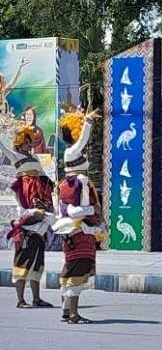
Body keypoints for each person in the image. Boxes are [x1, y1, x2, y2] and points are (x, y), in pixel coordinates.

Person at [51, 109, 105, 324]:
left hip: (78, 228)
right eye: (79, 126)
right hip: (78, 228)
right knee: (77, 267)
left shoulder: (79, 177)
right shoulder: (73, 158)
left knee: (71, 266)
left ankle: (67, 311)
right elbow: (74, 211)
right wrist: (88, 123)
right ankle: (73, 314)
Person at [1, 122, 56, 309]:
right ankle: (20, 300)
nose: (28, 145)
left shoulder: (34, 159)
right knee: (22, 261)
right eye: (25, 142)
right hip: (26, 202)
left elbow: (44, 179)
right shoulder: (15, 156)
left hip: (39, 200)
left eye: (29, 142)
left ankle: (36, 298)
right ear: (19, 142)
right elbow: (2, 146)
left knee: (37, 262)